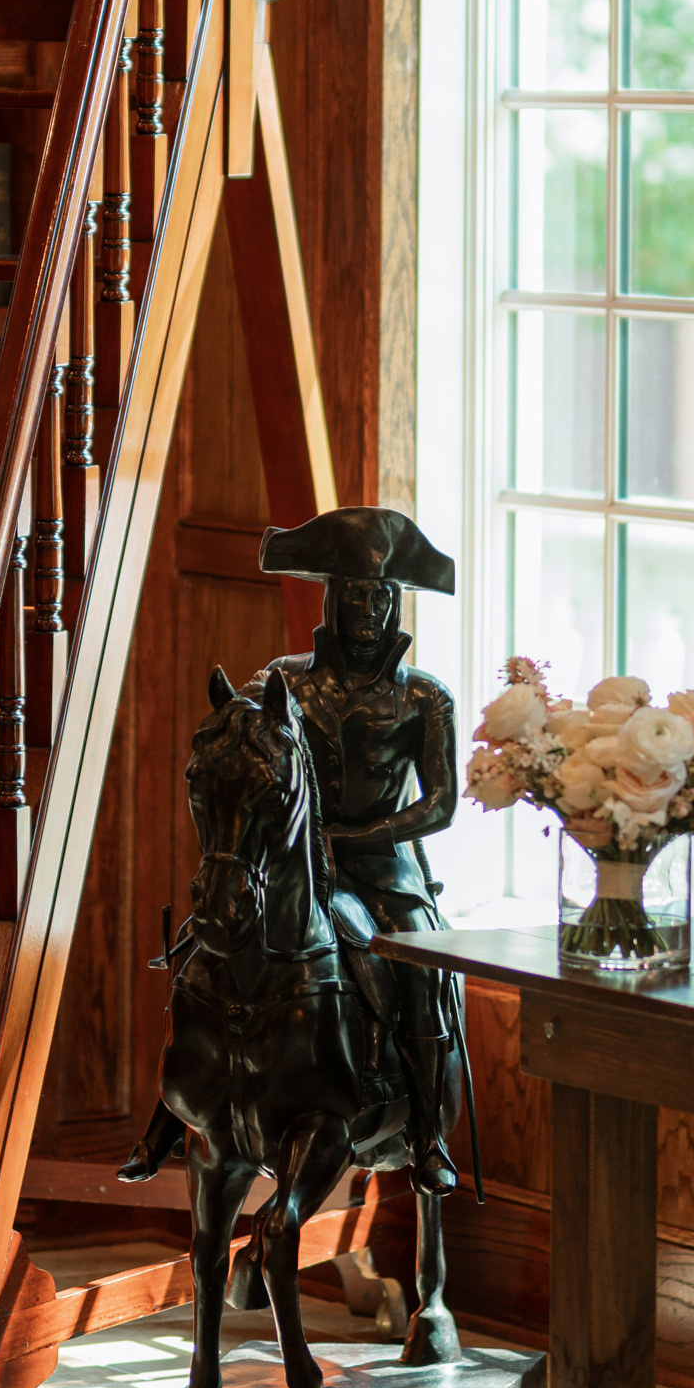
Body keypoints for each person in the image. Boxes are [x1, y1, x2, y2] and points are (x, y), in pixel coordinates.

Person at [122, 503, 466, 1196]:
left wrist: (349, 837)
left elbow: (440, 804)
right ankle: (172, 1110)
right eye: (354, 595)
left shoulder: (425, 698)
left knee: (421, 970)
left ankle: (427, 1134)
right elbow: (244, 741)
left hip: (384, 874)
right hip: (291, 865)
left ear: (396, 603)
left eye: (380, 596)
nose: (368, 609)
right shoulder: (284, 680)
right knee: (205, 941)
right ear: (331, 599)